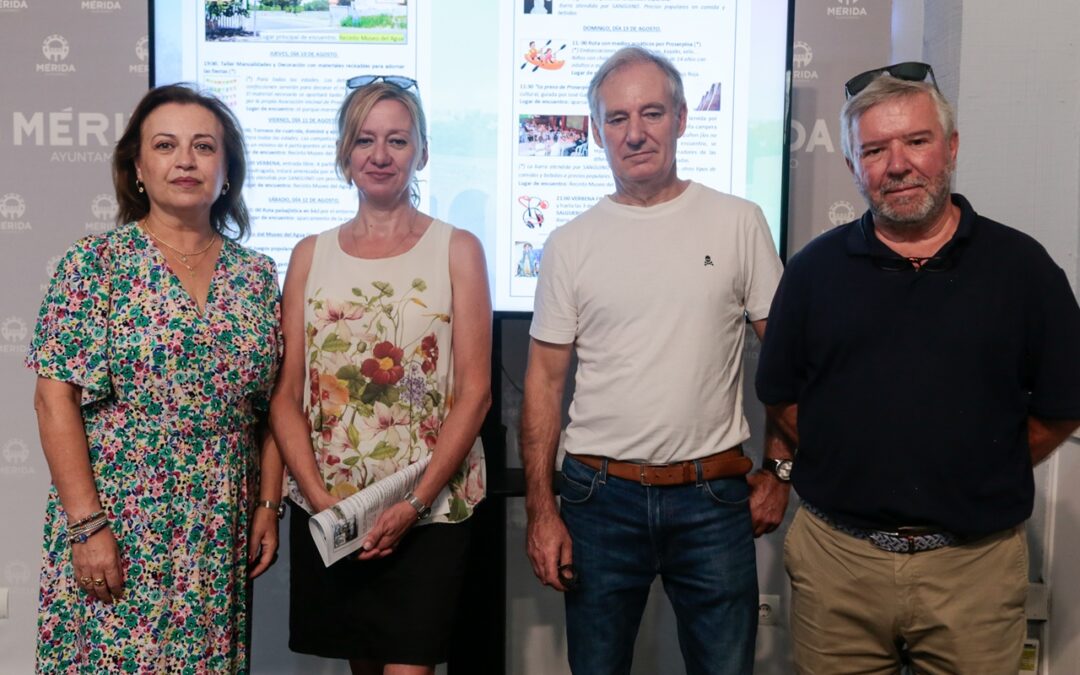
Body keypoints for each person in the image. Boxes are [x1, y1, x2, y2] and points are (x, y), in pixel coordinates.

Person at [755, 62, 1080, 674]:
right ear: (853, 166)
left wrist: (983, 462)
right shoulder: (812, 272)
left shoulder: (1023, 270)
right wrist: (850, 456)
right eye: (874, 149)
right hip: (838, 567)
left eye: (917, 141)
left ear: (951, 148)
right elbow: (780, 393)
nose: (897, 164)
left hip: (974, 570)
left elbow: (1064, 405)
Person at [521, 46, 788, 675]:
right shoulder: (569, 244)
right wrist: (542, 509)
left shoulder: (739, 223)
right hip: (597, 500)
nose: (635, 133)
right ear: (595, 131)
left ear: (682, 118)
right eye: (616, 118)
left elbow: (788, 361)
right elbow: (542, 384)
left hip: (714, 502)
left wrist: (779, 471)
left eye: (651, 113)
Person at [27, 83, 283, 673]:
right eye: (166, 145)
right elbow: (53, 401)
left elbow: (272, 406)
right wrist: (87, 526)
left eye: (203, 146)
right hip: (119, 512)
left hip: (217, 520)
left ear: (227, 169)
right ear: (138, 167)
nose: (185, 161)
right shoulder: (93, 263)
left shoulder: (258, 275)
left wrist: (269, 504)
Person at [269, 75, 491, 675]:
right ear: (345, 153)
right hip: (334, 501)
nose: (380, 154)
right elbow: (286, 396)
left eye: (397, 140)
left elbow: (475, 393)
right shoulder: (309, 254)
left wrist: (413, 503)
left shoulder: (459, 249)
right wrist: (322, 502)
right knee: (362, 666)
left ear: (421, 151)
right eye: (365, 139)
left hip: (430, 507)